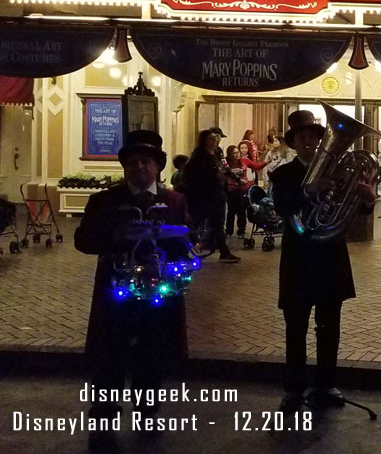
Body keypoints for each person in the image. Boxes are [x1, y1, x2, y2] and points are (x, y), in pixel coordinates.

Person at [75, 130, 190, 451]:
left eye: (147, 161)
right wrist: (114, 235)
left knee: (152, 354)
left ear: (158, 167)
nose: (140, 167)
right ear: (124, 167)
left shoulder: (175, 201)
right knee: (109, 354)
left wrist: (184, 253)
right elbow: (83, 242)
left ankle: (148, 413)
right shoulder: (104, 201)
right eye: (133, 162)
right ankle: (104, 414)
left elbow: (185, 242)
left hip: (158, 292)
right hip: (117, 292)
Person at [270, 110, 376, 413]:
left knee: (330, 326)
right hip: (299, 260)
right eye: (303, 137)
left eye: (315, 136)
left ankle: (327, 383)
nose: (311, 142)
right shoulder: (283, 174)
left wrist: (367, 199)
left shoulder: (339, 170)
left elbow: (352, 212)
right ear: (294, 143)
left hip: (331, 258)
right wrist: (308, 191)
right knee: (296, 327)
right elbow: (282, 208)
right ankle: (294, 388)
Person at [183, 129, 240, 263]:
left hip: (216, 194)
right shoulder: (200, 156)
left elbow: (223, 169)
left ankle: (222, 251)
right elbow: (197, 175)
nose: (214, 141)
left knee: (217, 224)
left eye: (215, 139)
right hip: (204, 196)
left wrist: (234, 178)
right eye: (211, 139)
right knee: (197, 222)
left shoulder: (216, 154)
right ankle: (186, 248)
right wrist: (214, 176)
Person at [223, 144, 268, 238]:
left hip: (242, 189)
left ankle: (241, 230)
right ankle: (229, 231)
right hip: (231, 190)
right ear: (230, 155)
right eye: (234, 153)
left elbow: (256, 166)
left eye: (237, 152)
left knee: (241, 210)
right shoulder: (226, 164)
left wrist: (266, 162)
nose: (237, 155)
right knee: (231, 211)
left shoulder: (244, 161)